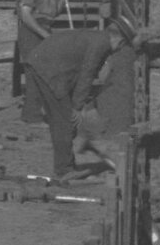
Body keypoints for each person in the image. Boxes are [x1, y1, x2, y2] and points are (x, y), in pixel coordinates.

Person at [22, 14, 125, 182]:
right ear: (119, 40)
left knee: (62, 119)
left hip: (43, 62)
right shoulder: (102, 43)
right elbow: (87, 74)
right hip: (50, 69)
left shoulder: (98, 38)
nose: (119, 50)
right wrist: (77, 107)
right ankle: (64, 170)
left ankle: (65, 164)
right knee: (63, 120)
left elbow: (86, 72)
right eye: (122, 46)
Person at [11, 0, 67, 100]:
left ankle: (44, 104)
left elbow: (54, 10)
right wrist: (45, 35)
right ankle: (33, 108)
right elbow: (26, 16)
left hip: (45, 27)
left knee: (46, 69)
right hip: (31, 30)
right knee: (34, 69)